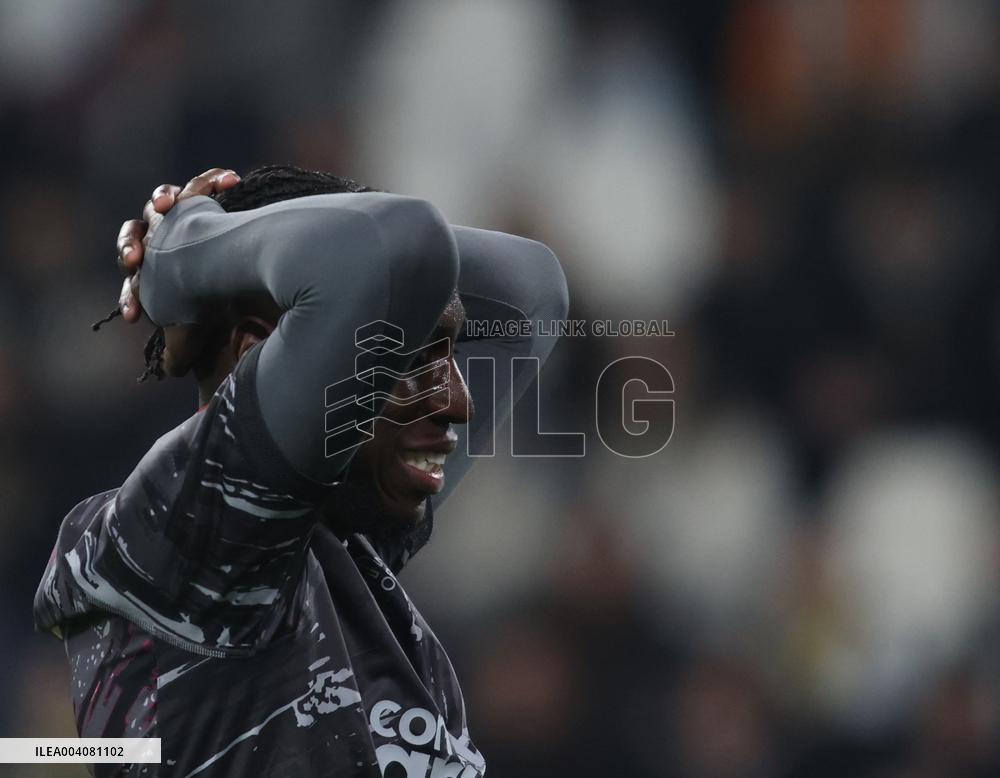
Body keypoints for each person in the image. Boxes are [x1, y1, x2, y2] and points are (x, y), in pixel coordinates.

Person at [34, 165, 568, 777]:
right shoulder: (191, 537)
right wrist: (182, 251)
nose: (458, 400)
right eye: (411, 359)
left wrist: (218, 246)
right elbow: (394, 245)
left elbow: (533, 291)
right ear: (259, 356)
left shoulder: (336, 543)